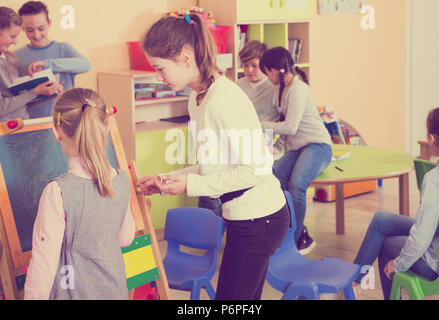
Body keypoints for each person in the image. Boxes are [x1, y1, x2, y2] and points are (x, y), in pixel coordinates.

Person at [137, 14, 290, 300]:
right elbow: (213, 165)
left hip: (261, 218)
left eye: (160, 68)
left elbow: (257, 169)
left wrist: (187, 185)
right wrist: (171, 178)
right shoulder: (197, 99)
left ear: (184, 58)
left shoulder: (223, 100)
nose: (158, 77)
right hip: (246, 216)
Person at [24, 88, 135, 300]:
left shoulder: (57, 191)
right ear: (106, 127)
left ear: (57, 131)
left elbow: (43, 265)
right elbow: (125, 238)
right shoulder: (121, 179)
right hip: (114, 291)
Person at [352, 107, 439, 300]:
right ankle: (353, 283)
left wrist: (398, 264)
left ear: (432, 139)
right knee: (381, 219)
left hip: (433, 261)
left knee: (385, 244)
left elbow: (422, 237)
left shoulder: (434, 180)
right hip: (435, 236)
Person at [260, 46, 332, 255]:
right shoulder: (280, 88)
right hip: (298, 147)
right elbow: (286, 126)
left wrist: (261, 124)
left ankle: (298, 238)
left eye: (267, 71)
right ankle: (286, 228)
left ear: (277, 70)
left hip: (317, 146)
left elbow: (290, 127)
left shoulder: (299, 89)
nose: (267, 76)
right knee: (275, 176)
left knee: (297, 184)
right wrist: (274, 148)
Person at [15, 1, 90, 118]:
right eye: (30, 30)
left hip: (64, 120)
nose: (36, 35)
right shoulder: (16, 56)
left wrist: (47, 64)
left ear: (49, 23)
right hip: (31, 123)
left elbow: (85, 64)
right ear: (22, 28)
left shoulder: (63, 49)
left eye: (41, 28)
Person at [0, 6, 61, 122]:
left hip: (23, 125)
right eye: (12, 36)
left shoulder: (9, 59)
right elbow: (1, 107)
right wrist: (35, 92)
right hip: (6, 132)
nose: (15, 42)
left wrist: (46, 93)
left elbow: (19, 104)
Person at [237, 40, 279, 122]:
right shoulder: (239, 84)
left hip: (267, 131)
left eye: (254, 65)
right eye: (246, 65)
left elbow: (283, 118)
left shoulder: (274, 86)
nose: (249, 70)